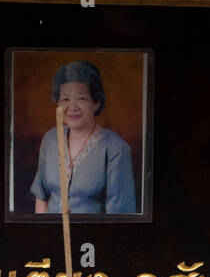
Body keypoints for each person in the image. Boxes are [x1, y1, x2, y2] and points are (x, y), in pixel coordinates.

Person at [30, 61, 137, 215]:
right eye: (65, 99)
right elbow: (41, 197)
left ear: (96, 102)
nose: (72, 107)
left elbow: (120, 217)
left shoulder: (116, 148)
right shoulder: (50, 139)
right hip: (51, 235)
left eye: (81, 98)